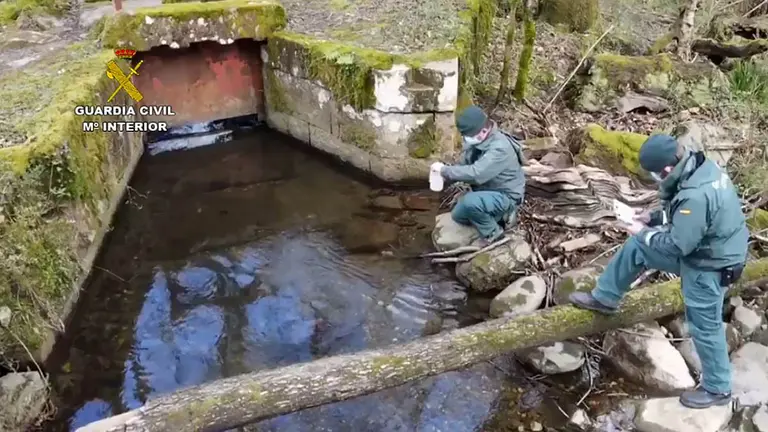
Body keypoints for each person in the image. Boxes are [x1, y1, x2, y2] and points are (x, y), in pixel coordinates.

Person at [569, 134, 749, 409]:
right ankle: (605, 298)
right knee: (637, 248)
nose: (654, 177)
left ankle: (718, 389)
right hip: (705, 250)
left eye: (654, 173)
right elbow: (688, 216)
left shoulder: (697, 195)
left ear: (666, 169)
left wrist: (644, 232)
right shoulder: (699, 167)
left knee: (705, 327)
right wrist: (651, 218)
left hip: (710, 265)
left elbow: (679, 245)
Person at [431, 105, 526, 247]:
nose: (465, 139)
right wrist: (446, 176)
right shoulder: (476, 139)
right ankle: (492, 216)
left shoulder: (500, 147)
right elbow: (464, 166)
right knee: (458, 215)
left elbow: (476, 174)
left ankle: (494, 232)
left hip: (506, 196)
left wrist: (445, 171)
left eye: (467, 136)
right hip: (487, 192)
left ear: (483, 131)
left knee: (470, 202)